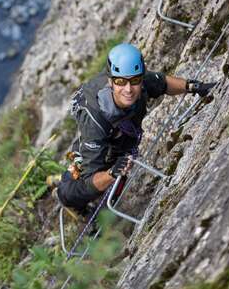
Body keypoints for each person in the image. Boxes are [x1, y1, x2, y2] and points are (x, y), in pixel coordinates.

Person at [48, 43, 216, 216]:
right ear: (110, 81)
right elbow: (90, 179)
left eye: (134, 81)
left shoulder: (138, 81)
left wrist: (193, 87)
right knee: (79, 191)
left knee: (116, 165)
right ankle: (62, 188)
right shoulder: (95, 121)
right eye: (121, 82)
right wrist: (112, 173)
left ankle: (67, 175)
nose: (128, 89)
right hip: (100, 140)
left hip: (119, 139)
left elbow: (162, 82)